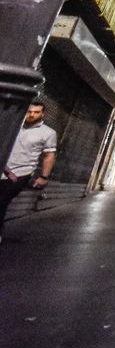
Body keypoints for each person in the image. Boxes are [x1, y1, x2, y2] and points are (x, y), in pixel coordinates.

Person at [1, 101, 58, 244]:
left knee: (1, 201)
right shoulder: (14, 124)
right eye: (29, 111)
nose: (32, 114)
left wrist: (44, 176)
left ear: (42, 114)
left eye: (36, 112)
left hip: (21, 173)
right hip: (3, 169)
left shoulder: (48, 133)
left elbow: (49, 156)